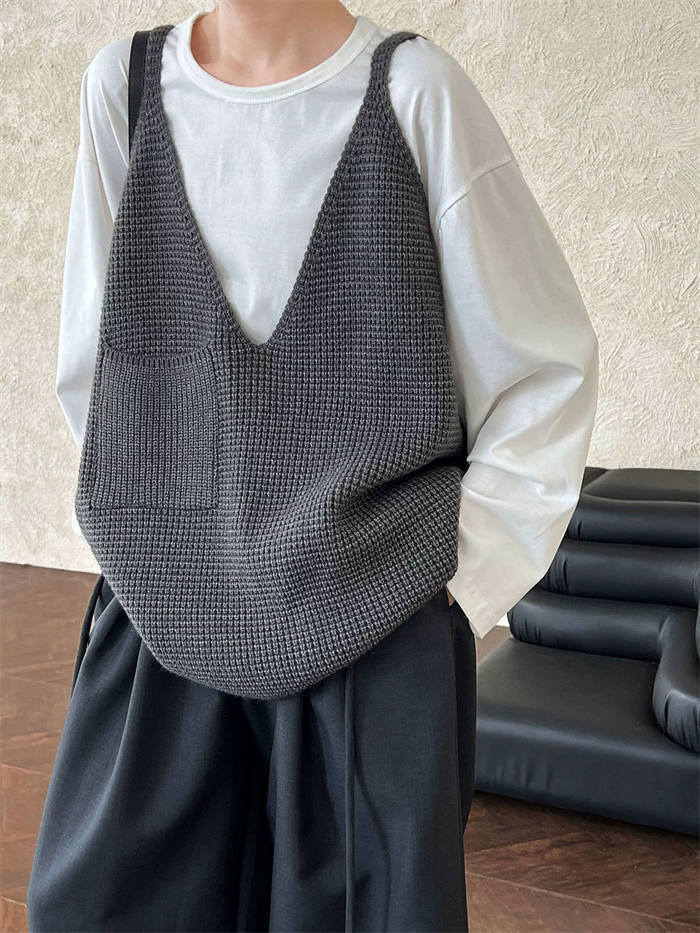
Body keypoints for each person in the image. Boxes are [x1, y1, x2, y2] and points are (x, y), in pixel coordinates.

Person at [27, 2, 599, 931]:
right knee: (97, 903)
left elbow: (543, 374)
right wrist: (147, 533)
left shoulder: (415, 93)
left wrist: (447, 589)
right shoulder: (122, 89)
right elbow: (100, 367)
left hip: (373, 635)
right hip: (162, 619)